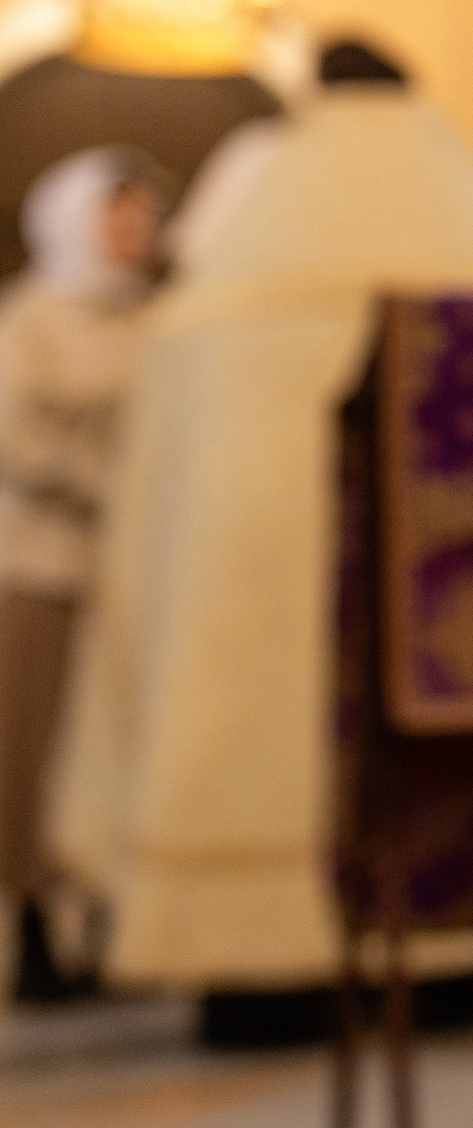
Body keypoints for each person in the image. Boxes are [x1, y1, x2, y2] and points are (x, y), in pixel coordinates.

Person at [50, 38, 473, 1011]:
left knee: (261, 703)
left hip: (257, 575)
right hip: (446, 602)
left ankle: (265, 970)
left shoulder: (246, 242)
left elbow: (162, 466)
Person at [0, 148, 165, 1002]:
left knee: (115, 749)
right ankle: (33, 927)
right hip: (47, 563)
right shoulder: (30, 319)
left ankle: (110, 924)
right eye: (116, 214)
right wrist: (110, 484)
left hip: (130, 576)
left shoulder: (158, 321)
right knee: (37, 748)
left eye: (141, 216)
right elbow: (18, 439)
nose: (132, 231)